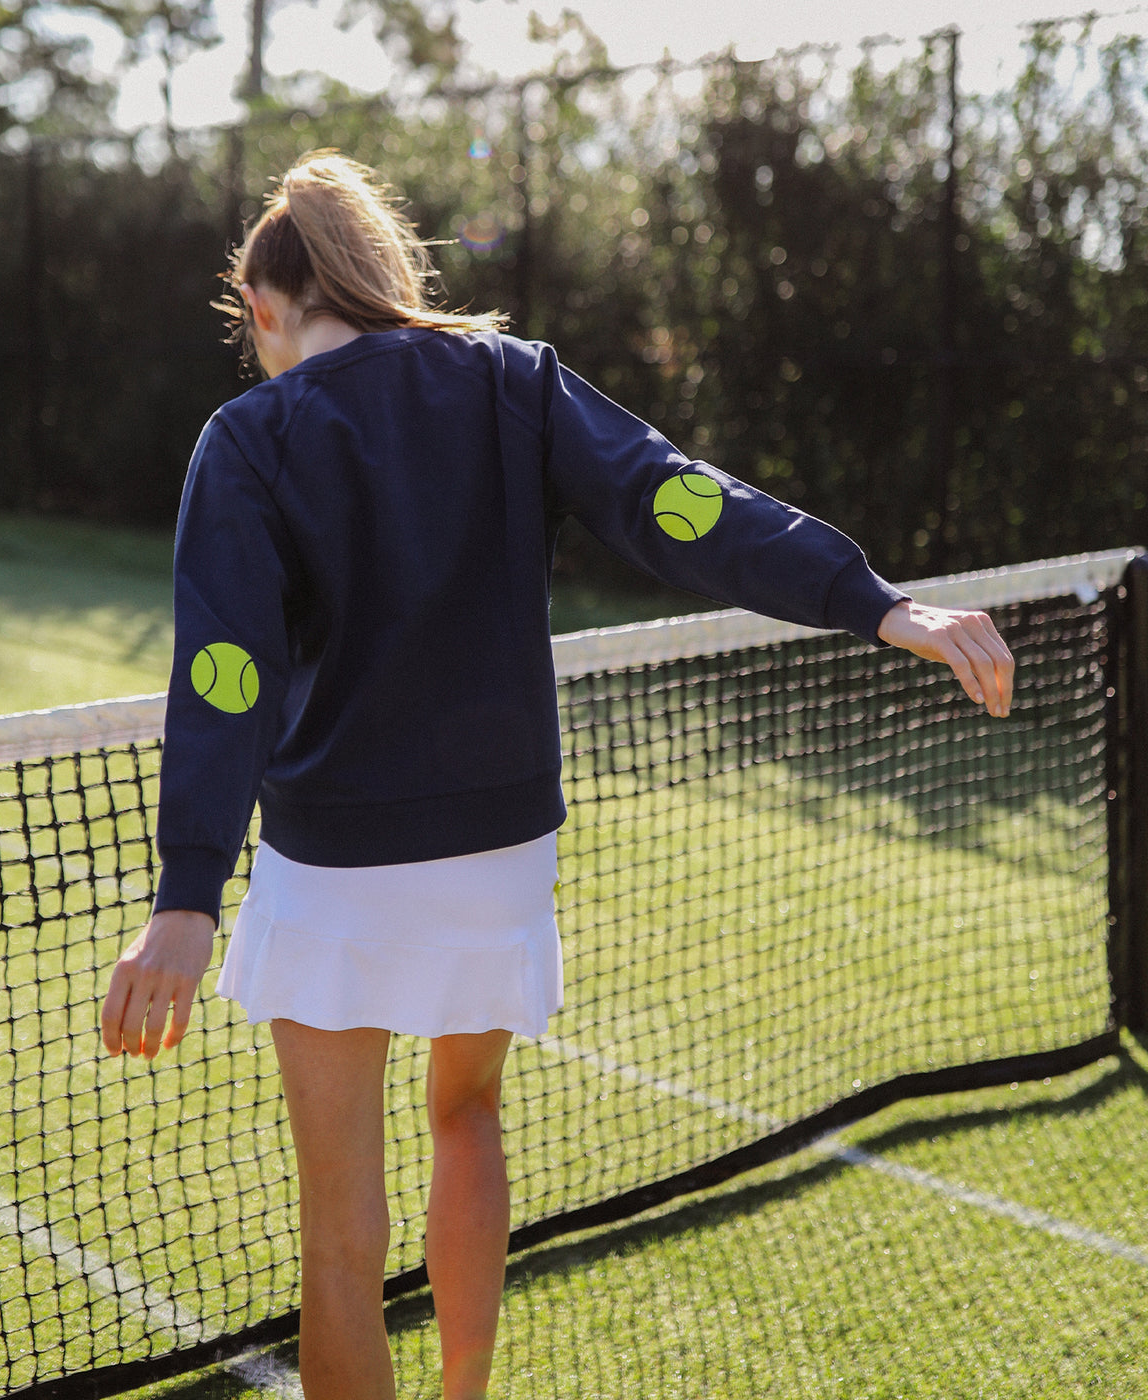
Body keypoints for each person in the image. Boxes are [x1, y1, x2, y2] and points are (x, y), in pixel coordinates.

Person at [99, 150, 1014, 1400]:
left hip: (338, 862)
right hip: (498, 850)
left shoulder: (247, 435)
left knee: (338, 1234)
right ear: (378, 272)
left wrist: (186, 897)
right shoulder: (512, 379)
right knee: (466, 1113)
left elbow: (224, 674)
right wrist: (876, 600)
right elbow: (679, 502)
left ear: (263, 308)